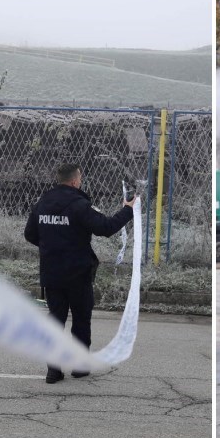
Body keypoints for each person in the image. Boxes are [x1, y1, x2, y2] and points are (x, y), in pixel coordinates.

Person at [24, 163, 135, 384]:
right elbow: (105, 227)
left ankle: (53, 370)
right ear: (75, 181)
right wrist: (127, 209)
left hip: (52, 273)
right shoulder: (79, 205)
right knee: (81, 320)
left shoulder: (42, 204)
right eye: (80, 178)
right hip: (78, 273)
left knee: (55, 320)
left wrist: (50, 246)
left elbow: (30, 234)